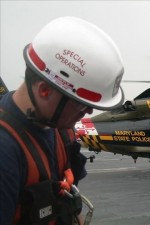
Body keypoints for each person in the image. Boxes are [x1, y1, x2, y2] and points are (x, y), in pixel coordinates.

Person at [0, 16, 125, 225]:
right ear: (45, 90)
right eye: (81, 103)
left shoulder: (62, 131)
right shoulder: (5, 151)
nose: (89, 111)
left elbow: (69, 204)